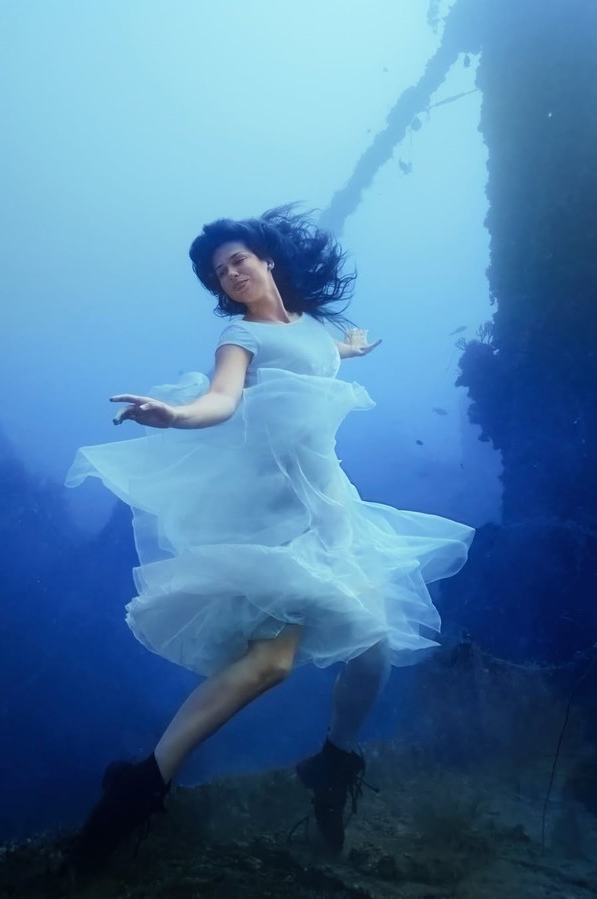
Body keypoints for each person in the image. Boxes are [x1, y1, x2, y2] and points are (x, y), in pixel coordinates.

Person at [65, 206, 474, 872]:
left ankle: (332, 763)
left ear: (267, 260)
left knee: (372, 651)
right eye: (220, 272)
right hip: (277, 511)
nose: (230, 272)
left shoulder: (313, 329)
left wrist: (353, 349)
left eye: (238, 259)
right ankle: (137, 788)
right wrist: (175, 414)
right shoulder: (238, 338)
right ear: (223, 290)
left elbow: (318, 353)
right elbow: (223, 399)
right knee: (271, 664)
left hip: (332, 507)